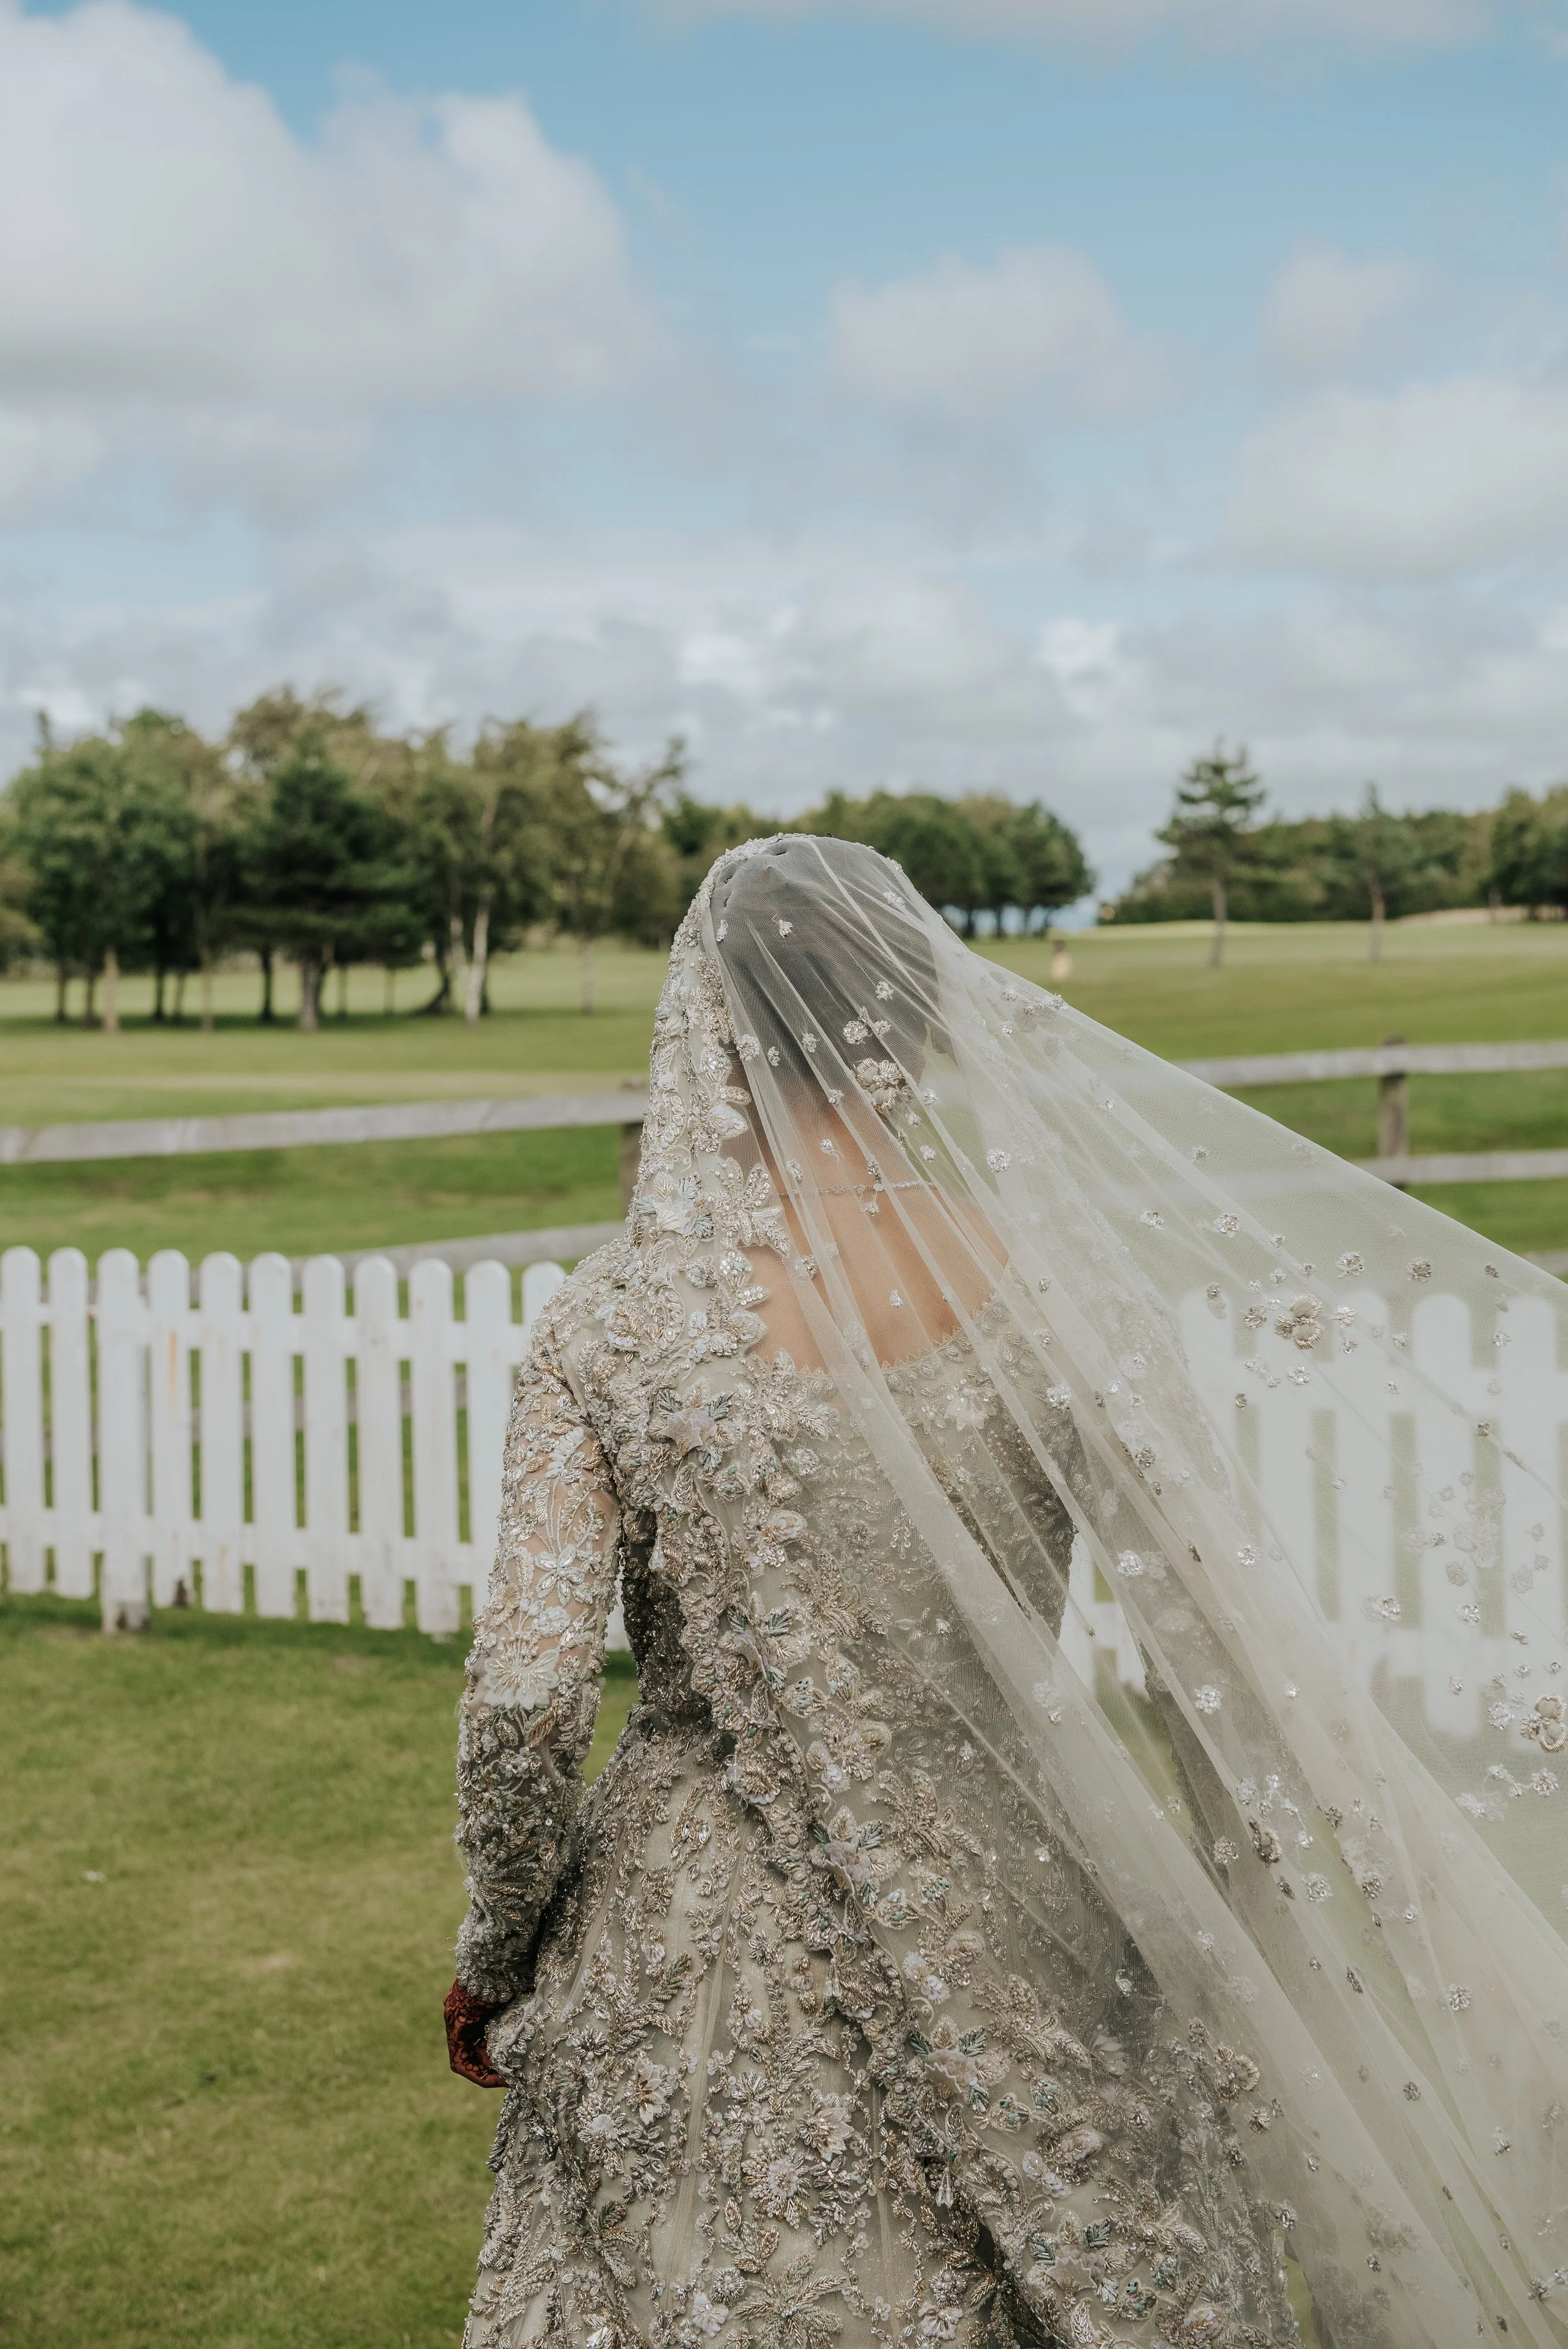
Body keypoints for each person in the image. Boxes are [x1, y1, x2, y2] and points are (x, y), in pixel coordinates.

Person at [445, 835, 1568, 2349]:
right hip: (1032, 1892)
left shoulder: (608, 1324)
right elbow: (1220, 1642)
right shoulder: (1056, 1290)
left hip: (702, 1935)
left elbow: (525, 1704)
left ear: (707, 1022)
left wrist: (498, 1947)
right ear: (916, 1016)